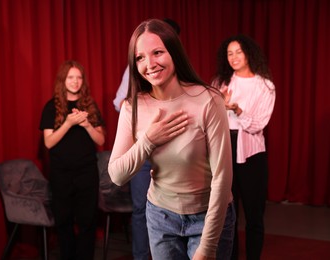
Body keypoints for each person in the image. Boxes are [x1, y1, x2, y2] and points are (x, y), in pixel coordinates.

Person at [108, 19, 235, 260]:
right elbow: (117, 175)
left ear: (174, 52)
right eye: (140, 58)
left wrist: (207, 248)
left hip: (208, 216)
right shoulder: (132, 107)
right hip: (161, 218)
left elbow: (222, 177)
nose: (150, 64)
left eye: (157, 52)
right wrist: (148, 141)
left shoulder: (208, 100)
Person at [112, 18, 181, 260]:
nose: (150, 61)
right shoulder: (139, 68)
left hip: (175, 152)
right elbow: (119, 102)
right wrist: (143, 121)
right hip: (143, 152)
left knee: (175, 211)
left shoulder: (183, 74)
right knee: (142, 209)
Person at [212, 34, 276, 260]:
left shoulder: (265, 86)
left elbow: (258, 124)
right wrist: (218, 104)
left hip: (251, 155)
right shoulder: (221, 82)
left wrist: (236, 109)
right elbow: (210, 120)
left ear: (248, 53)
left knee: (254, 215)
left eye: (238, 51)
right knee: (228, 215)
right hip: (224, 151)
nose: (234, 57)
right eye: (229, 53)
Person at [39, 60, 105, 260]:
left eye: (79, 77)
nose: (75, 82)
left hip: (87, 172)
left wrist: (86, 125)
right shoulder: (51, 107)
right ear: (63, 80)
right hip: (61, 174)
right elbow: (49, 143)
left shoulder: (90, 105)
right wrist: (68, 123)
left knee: (87, 223)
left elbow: (101, 139)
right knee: (64, 222)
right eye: (71, 77)